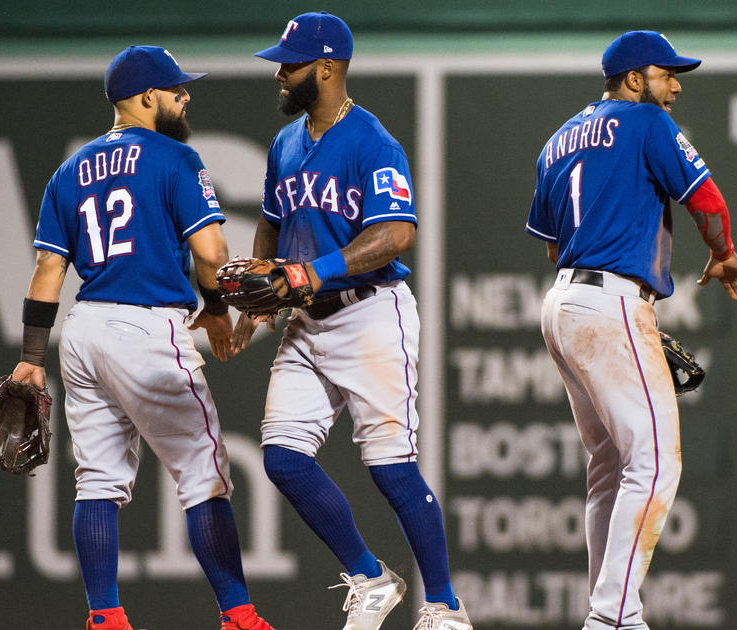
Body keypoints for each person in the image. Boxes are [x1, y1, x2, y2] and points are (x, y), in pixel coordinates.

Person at [7, 46, 277, 630]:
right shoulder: (176, 158)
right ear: (146, 96)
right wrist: (214, 307)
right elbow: (211, 253)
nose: (186, 96)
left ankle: (104, 616)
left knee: (98, 479)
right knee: (204, 471)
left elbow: (47, 272)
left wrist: (31, 359)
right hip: (147, 326)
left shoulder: (68, 172)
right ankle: (238, 615)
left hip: (82, 333)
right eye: (176, 88)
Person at [232, 12, 472, 630]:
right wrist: (263, 293)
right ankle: (369, 576)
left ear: (328, 67)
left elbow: (397, 232)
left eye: (289, 64)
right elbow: (272, 223)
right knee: (283, 458)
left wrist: (309, 274)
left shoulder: (372, 141)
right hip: (306, 322)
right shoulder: (285, 143)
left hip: (370, 314)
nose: (279, 75)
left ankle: (444, 608)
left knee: (390, 466)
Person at [525, 31, 737, 630]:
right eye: (666, 74)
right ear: (634, 80)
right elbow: (707, 199)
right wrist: (724, 252)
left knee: (609, 465)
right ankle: (612, 619)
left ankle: (609, 614)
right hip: (612, 304)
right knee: (654, 464)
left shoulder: (556, 141)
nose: (675, 85)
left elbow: (553, 243)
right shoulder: (645, 122)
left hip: (563, 302)